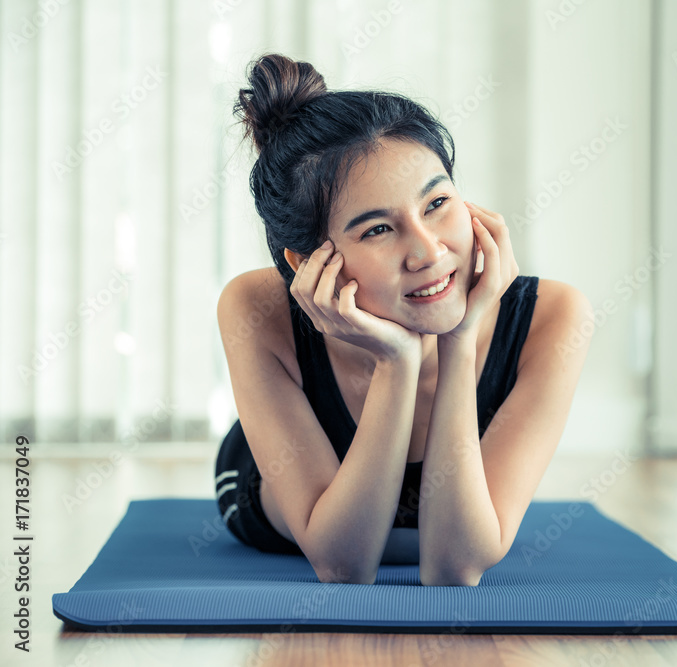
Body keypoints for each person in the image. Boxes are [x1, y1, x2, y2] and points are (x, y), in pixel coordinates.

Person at [213, 53, 593, 586]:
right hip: (287, 494)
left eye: (437, 203)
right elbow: (343, 566)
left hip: (451, 514)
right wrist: (395, 361)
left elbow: (455, 568)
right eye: (377, 230)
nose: (429, 251)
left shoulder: (553, 317)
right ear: (307, 262)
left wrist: (459, 338)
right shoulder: (255, 308)